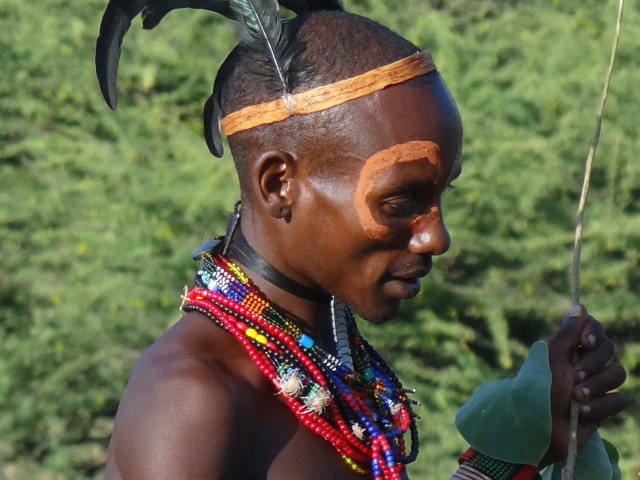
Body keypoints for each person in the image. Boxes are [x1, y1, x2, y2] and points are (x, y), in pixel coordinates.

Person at [96, 2, 627, 479]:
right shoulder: (193, 399)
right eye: (400, 201)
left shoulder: (333, 359)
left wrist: (529, 441)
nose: (436, 237)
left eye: (443, 194)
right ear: (279, 184)